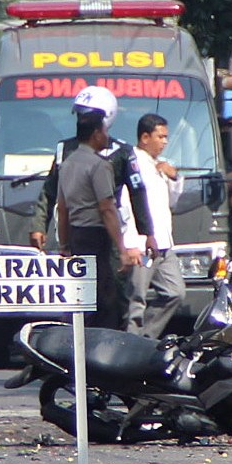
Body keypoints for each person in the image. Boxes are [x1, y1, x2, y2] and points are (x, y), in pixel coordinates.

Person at [55, 108, 142, 328]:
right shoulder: (99, 165)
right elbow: (107, 208)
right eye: (104, 131)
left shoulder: (67, 164)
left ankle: (79, 341)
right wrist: (122, 249)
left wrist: (64, 244)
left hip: (76, 235)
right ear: (95, 134)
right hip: (97, 236)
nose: (107, 136)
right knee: (107, 297)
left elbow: (62, 209)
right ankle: (102, 349)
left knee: (83, 294)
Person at [120, 113, 187, 337]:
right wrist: (131, 243)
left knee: (175, 292)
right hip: (141, 243)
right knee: (136, 299)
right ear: (145, 137)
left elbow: (173, 202)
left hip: (164, 242)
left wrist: (173, 176)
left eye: (166, 137)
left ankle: (146, 337)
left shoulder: (159, 165)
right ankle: (129, 344)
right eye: (161, 137)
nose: (165, 142)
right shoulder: (132, 163)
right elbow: (125, 206)